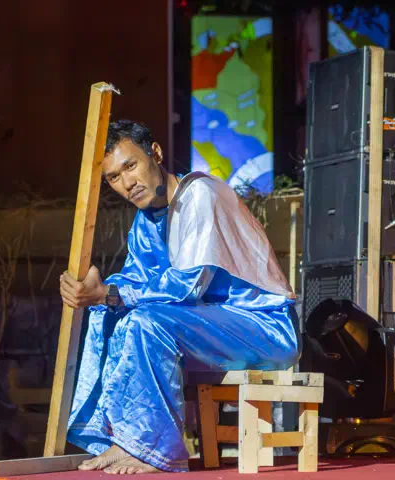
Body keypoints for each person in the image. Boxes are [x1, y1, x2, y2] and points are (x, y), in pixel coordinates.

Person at [60, 120, 299, 475]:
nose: (127, 183)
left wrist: (110, 292)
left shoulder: (200, 195)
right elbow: (134, 282)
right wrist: (91, 290)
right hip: (207, 326)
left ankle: (155, 448)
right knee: (107, 312)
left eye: (131, 165)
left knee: (146, 322)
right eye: (114, 177)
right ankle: (122, 436)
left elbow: (188, 286)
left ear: (155, 153)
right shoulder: (146, 220)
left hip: (264, 327)